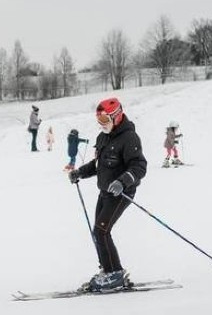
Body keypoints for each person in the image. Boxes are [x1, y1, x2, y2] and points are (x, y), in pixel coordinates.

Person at [68, 97, 147, 292]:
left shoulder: (130, 138)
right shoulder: (102, 137)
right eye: (99, 121)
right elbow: (98, 165)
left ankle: (116, 274)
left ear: (117, 116)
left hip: (122, 193)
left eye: (105, 121)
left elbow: (139, 166)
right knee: (99, 233)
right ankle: (108, 270)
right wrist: (80, 172)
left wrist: (123, 181)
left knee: (101, 231)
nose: (101, 125)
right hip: (104, 192)